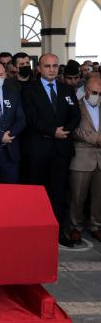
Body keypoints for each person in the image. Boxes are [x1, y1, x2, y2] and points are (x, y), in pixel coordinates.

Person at [22, 53, 81, 247]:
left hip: (61, 149)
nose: (52, 69)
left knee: (59, 193)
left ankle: (57, 232)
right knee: (36, 193)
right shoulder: (29, 89)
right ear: (39, 68)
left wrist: (65, 131)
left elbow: (75, 115)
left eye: (55, 66)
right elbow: (30, 117)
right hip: (38, 149)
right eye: (47, 66)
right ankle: (34, 231)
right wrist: (51, 131)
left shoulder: (66, 89)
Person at [68, 77, 101, 244]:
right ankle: (76, 227)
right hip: (82, 158)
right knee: (78, 196)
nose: (98, 96)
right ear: (87, 90)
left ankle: (96, 226)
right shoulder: (76, 106)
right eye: (95, 93)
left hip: (99, 159)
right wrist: (96, 139)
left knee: (98, 196)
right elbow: (74, 130)